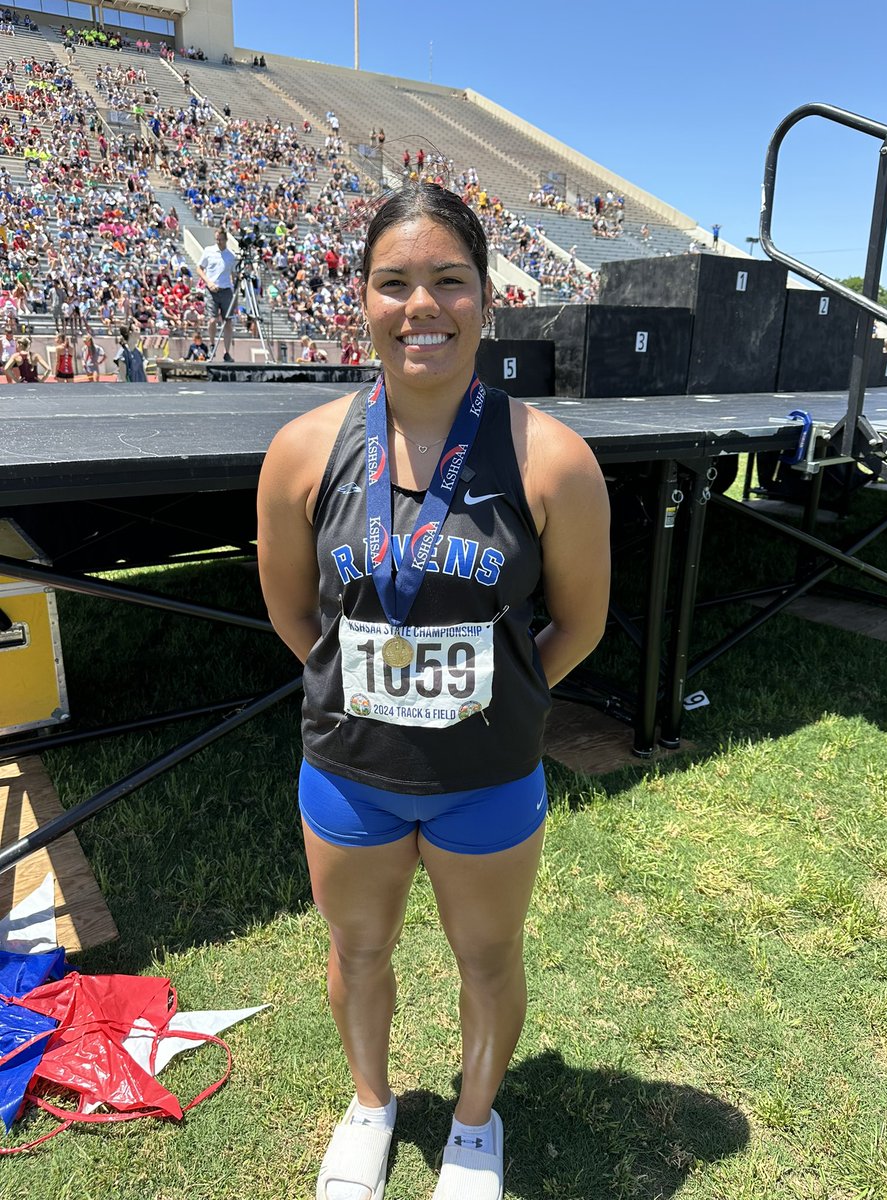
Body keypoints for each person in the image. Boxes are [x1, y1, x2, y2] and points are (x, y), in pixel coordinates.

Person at [256, 183, 610, 1200]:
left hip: (487, 777)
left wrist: (502, 696)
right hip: (350, 774)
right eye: (395, 283)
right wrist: (365, 693)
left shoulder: (553, 460)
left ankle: (472, 1125)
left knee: (486, 958)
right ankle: (370, 1107)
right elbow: (293, 617)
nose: (423, 306)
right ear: (361, 301)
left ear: (485, 299)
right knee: (357, 950)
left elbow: (578, 626)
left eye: (449, 281)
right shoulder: (302, 454)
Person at [197, 227, 236, 362]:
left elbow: (234, 274)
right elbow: (199, 268)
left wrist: (235, 291)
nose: (218, 242)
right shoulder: (208, 251)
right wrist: (208, 282)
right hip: (212, 290)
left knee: (228, 322)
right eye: (217, 240)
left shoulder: (231, 256)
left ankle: (226, 352)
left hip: (226, 290)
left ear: (226, 240)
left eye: (221, 240)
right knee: (212, 319)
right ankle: (212, 345)